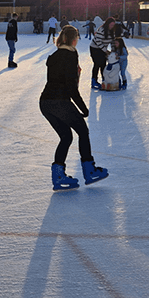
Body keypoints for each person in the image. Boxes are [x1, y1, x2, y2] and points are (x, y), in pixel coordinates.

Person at [39, 25, 108, 191]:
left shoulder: (54, 55)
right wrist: (83, 108)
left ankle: (58, 176)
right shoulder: (70, 54)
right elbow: (71, 86)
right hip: (59, 101)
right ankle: (90, 170)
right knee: (82, 132)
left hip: (45, 102)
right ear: (74, 39)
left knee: (66, 136)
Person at [89, 17, 117, 89]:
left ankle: (104, 80)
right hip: (94, 48)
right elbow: (98, 42)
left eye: (113, 25)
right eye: (111, 25)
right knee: (97, 63)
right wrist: (106, 51)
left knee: (103, 64)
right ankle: (94, 80)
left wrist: (114, 51)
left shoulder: (112, 31)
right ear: (107, 24)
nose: (112, 27)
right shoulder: (101, 30)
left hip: (102, 49)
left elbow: (113, 42)